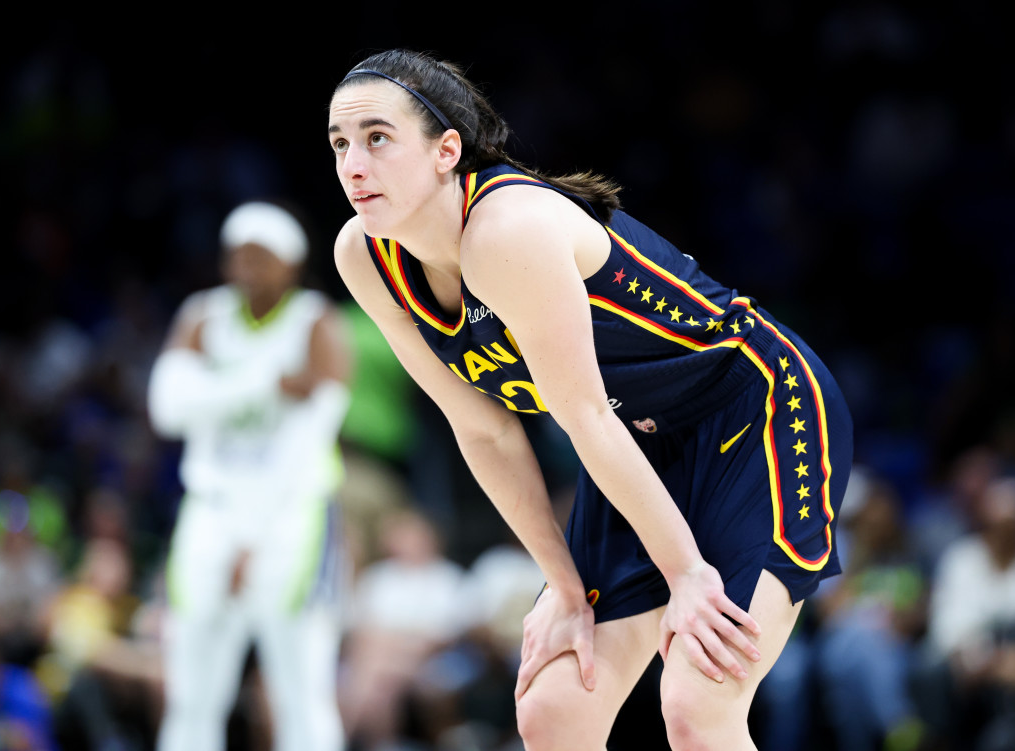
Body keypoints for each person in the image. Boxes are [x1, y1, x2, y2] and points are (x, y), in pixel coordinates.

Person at [328, 49, 854, 750]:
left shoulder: (506, 229)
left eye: (377, 138)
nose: (353, 165)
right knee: (555, 710)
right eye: (339, 144)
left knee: (698, 704)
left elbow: (580, 417)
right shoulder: (364, 255)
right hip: (633, 438)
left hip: (753, 410)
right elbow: (483, 430)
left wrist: (688, 573)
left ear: (446, 150)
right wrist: (563, 586)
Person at [146, 200, 354, 751]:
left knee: (300, 689)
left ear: (291, 264)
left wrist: (253, 536)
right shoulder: (202, 315)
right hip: (210, 508)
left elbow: (312, 435)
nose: (246, 267)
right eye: (237, 255)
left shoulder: (317, 322)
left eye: (260, 257)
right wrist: (263, 381)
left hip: (294, 516)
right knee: (192, 687)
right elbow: (166, 408)